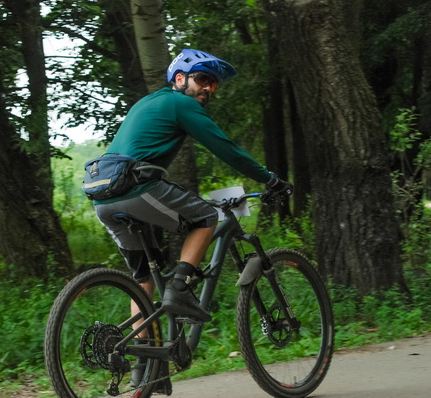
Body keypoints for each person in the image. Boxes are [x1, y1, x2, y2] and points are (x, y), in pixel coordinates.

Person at [94, 48, 291, 323]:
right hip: (137, 188)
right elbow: (226, 149)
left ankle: (142, 351)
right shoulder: (181, 103)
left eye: (213, 84)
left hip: (103, 195)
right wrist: (270, 179)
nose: (208, 88)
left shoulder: (146, 102)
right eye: (202, 79)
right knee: (207, 216)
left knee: (145, 280)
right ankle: (180, 290)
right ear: (179, 79)